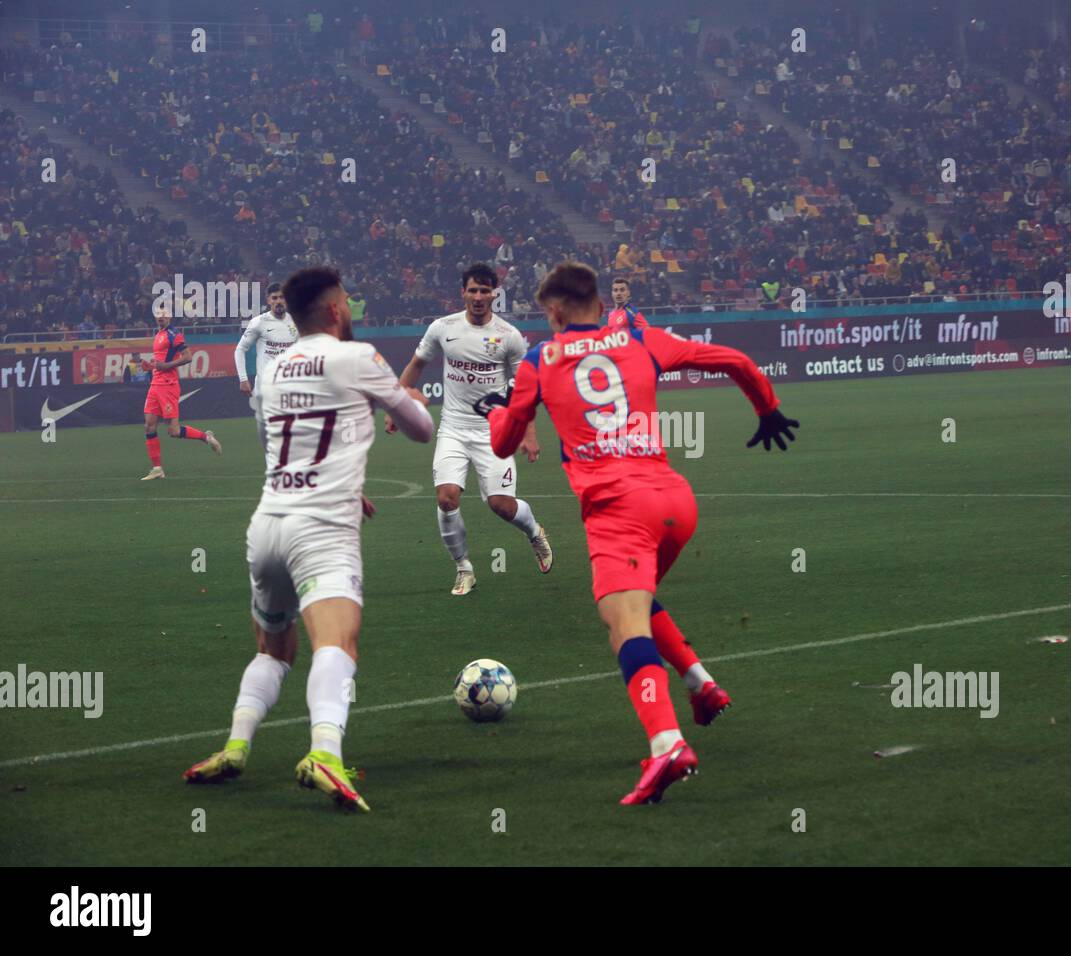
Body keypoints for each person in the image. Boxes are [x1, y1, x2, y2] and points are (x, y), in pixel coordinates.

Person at [478, 262, 799, 805]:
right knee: (638, 600)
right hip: (675, 502)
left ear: (554, 312)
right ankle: (701, 685)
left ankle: (667, 744)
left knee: (624, 627)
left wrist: (496, 413)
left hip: (618, 511)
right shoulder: (641, 339)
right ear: (601, 304)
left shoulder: (539, 359)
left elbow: (504, 443)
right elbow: (735, 360)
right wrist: (767, 409)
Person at [183, 267, 434, 812]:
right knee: (336, 643)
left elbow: (280, 444)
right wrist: (412, 397)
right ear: (335, 309)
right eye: (346, 299)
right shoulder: (359, 357)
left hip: (268, 524)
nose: (350, 306)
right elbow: (421, 429)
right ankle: (324, 753)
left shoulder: (273, 369)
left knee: (274, 649)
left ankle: (236, 745)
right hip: (322, 530)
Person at [386, 263, 552, 596]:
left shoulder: (509, 336)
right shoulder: (442, 328)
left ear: (494, 294)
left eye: (484, 291)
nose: (478, 297)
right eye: (472, 290)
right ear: (463, 292)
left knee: (502, 505)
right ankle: (464, 569)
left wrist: (529, 434)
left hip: (495, 431)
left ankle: (534, 531)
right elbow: (416, 365)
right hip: (453, 428)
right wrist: (397, 405)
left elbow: (524, 389)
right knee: (446, 499)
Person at [139, 302, 223, 480]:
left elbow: (188, 356)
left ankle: (206, 437)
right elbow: (160, 361)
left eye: (164, 313)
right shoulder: (159, 334)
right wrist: (151, 366)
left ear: (170, 316)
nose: (161, 316)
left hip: (168, 385)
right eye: (158, 313)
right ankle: (157, 468)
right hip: (155, 384)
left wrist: (166, 366)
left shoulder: (174, 334)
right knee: (149, 425)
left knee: (174, 431)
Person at [234, 282, 299, 448]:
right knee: (269, 430)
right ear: (268, 300)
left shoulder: (296, 322)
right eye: (274, 298)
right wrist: (243, 379)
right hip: (265, 386)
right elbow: (240, 349)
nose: (279, 301)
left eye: (282, 297)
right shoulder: (259, 322)